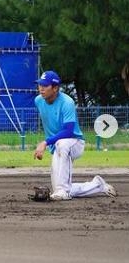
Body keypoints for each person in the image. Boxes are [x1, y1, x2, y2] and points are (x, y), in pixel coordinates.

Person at [33, 70, 117, 200]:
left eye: (45, 85)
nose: (41, 88)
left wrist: (45, 142)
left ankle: (63, 192)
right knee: (62, 188)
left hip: (74, 142)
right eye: (40, 84)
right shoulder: (38, 101)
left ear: (55, 88)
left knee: (62, 145)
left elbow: (68, 131)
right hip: (57, 146)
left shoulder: (67, 102)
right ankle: (97, 185)